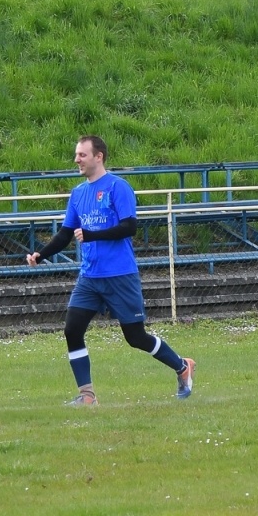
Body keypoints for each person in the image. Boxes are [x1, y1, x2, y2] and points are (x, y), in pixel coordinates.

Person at [25, 136, 195, 406]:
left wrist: (93, 235)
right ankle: (87, 395)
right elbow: (66, 233)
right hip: (90, 277)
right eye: (76, 154)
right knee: (72, 330)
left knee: (135, 337)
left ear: (98, 156)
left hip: (119, 275)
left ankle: (182, 365)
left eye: (82, 155)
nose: (76, 160)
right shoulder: (78, 193)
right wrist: (40, 254)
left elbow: (130, 227)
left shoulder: (118, 187)